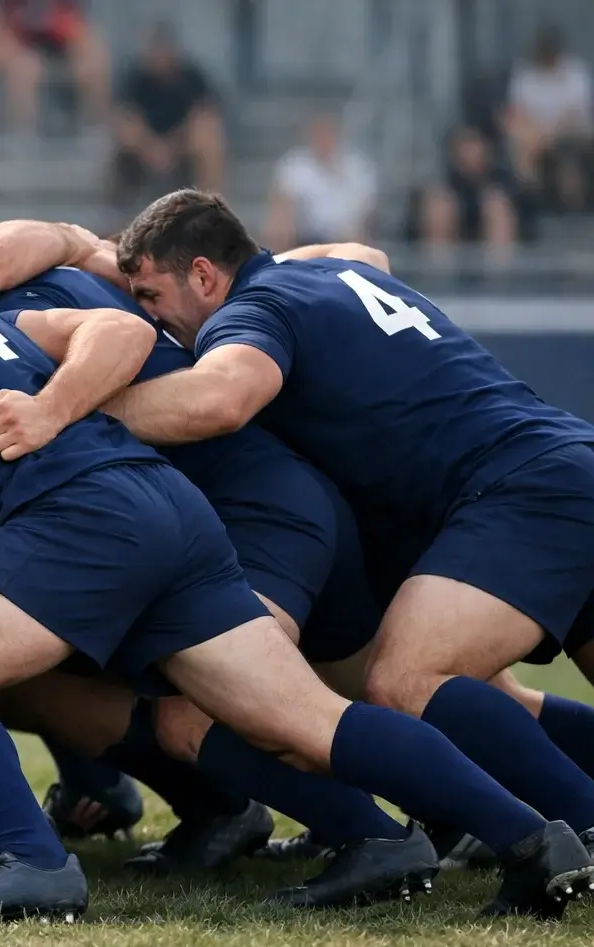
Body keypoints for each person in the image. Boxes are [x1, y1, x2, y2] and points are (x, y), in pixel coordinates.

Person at [0, 206, 593, 921]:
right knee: (305, 717)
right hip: (166, 506)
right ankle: (532, 839)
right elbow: (15, 257)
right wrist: (73, 249)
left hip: (106, 512)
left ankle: (33, 862)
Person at [108, 189, 594, 871]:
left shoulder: (252, 310)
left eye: (151, 295)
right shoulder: (329, 270)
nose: (148, 316)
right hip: (562, 461)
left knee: (405, 682)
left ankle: (578, 826)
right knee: (484, 696)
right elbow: (366, 251)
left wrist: (77, 407)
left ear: (204, 275)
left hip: (517, 489)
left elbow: (220, 398)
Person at [0, 0, 110, 144]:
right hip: (17, 40)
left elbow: (75, 24)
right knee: (19, 68)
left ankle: (96, 133)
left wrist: (69, 36)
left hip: (60, 38)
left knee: (94, 61)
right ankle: (12, 139)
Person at [113, 24, 223, 199]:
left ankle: (209, 201)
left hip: (181, 145)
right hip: (146, 146)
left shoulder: (191, 78)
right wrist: (152, 148)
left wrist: (171, 147)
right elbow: (127, 117)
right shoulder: (136, 78)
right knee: (126, 130)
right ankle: (119, 201)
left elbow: (204, 114)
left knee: (207, 136)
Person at [505, 25, 592, 213]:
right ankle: (531, 199)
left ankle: (574, 205)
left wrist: (550, 133)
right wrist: (541, 132)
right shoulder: (525, 75)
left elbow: (576, 114)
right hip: (536, 134)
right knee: (521, 141)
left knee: (569, 142)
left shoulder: (575, 72)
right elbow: (518, 113)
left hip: (571, 131)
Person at [264, 114, 376, 251]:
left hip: (345, 236)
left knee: (358, 234)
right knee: (280, 219)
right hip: (305, 238)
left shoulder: (356, 167)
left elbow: (366, 210)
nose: (323, 139)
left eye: (328, 134)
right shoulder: (295, 165)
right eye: (318, 134)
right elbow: (281, 203)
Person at [418, 126, 522, 257]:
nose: (470, 152)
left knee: (497, 207)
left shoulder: (504, 180)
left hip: (494, 248)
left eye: (474, 145)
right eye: (466, 146)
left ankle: (500, 265)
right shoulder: (446, 181)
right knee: (439, 206)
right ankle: (438, 264)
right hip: (451, 246)